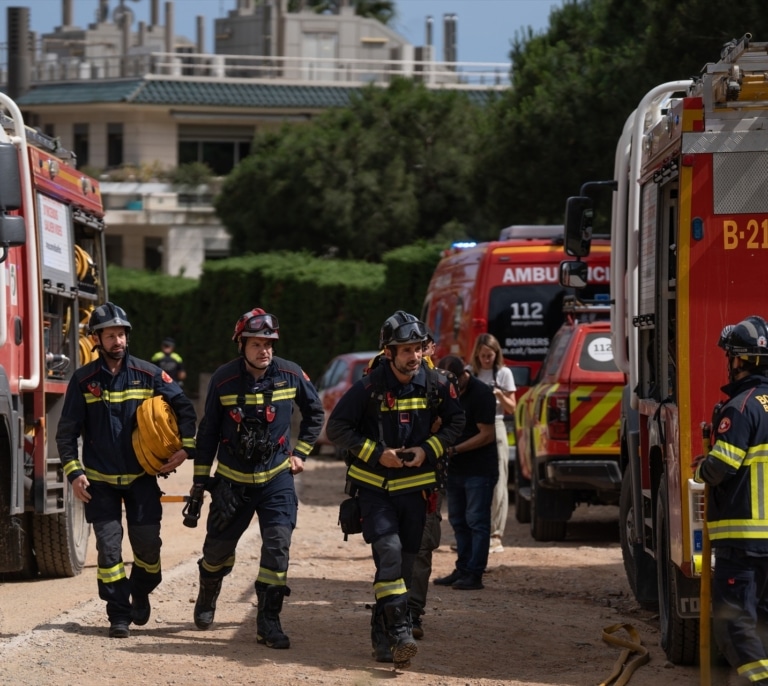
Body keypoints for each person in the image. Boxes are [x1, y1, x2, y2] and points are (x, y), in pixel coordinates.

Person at [326, 310, 464, 668]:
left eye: (417, 348)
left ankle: (380, 632)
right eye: (405, 350)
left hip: (417, 495)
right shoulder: (369, 387)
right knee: (388, 552)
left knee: (401, 567)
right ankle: (401, 631)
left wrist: (427, 449)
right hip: (375, 492)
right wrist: (377, 454)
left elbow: (457, 421)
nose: (414, 356)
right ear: (388, 352)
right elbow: (338, 428)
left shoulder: (435, 384)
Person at [56, 302, 197, 639]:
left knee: (148, 547)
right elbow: (66, 432)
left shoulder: (149, 374)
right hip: (100, 483)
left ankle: (142, 588)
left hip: (141, 479)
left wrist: (186, 448)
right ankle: (118, 613)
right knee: (109, 549)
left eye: (121, 334)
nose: (117, 340)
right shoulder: (84, 380)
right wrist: (75, 473)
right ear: (97, 339)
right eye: (110, 335)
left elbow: (184, 407)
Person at [191, 307, 324, 650]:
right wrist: (200, 482)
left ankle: (269, 621)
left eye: (269, 343)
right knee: (216, 552)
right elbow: (207, 434)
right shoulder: (223, 380)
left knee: (278, 546)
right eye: (256, 344)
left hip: (277, 479)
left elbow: (315, 412)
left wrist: (301, 453)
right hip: (232, 482)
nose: (264, 350)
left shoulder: (291, 374)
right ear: (242, 345)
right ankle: (208, 592)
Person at [693, 316, 768, 685]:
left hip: (744, 542)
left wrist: (701, 468)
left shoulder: (740, 408)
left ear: (739, 360)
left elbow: (721, 467)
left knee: (734, 625)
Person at [433, 354, 497, 591]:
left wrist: (454, 449)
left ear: (463, 375)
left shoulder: (481, 394)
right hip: (456, 468)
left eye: (456, 384)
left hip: (479, 469)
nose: (453, 390)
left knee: (477, 522)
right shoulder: (446, 392)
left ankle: (474, 573)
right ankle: (462, 568)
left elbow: (487, 434)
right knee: (459, 521)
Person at [469, 333, 516, 553]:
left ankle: (496, 533)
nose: (487, 359)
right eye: (484, 355)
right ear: (477, 354)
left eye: (491, 355)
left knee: (499, 481)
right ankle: (476, 532)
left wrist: (498, 394)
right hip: (475, 427)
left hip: (497, 424)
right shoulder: (471, 374)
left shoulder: (504, 373)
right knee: (474, 481)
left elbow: (512, 408)